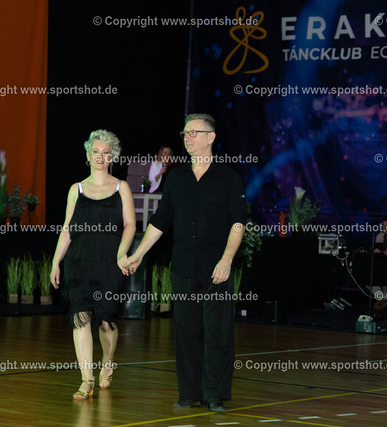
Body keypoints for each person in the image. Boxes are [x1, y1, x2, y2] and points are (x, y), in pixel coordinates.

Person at [123, 113, 246, 412]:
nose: (187, 138)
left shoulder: (228, 177)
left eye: (193, 133)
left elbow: (238, 222)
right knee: (186, 331)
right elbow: (160, 221)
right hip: (183, 265)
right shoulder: (176, 178)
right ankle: (189, 393)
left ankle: (214, 394)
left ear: (210, 137)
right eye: (185, 133)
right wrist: (138, 254)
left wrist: (227, 260)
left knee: (217, 332)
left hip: (216, 266)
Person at [50, 129, 136, 400]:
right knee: (81, 318)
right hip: (78, 260)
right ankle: (86, 379)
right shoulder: (75, 189)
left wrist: (122, 253)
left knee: (106, 320)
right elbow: (67, 229)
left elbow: (130, 225)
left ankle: (108, 361)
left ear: (112, 157)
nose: (100, 156)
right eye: (95, 152)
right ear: (87, 155)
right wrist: (55, 262)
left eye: (105, 153)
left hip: (110, 261)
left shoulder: (121, 187)